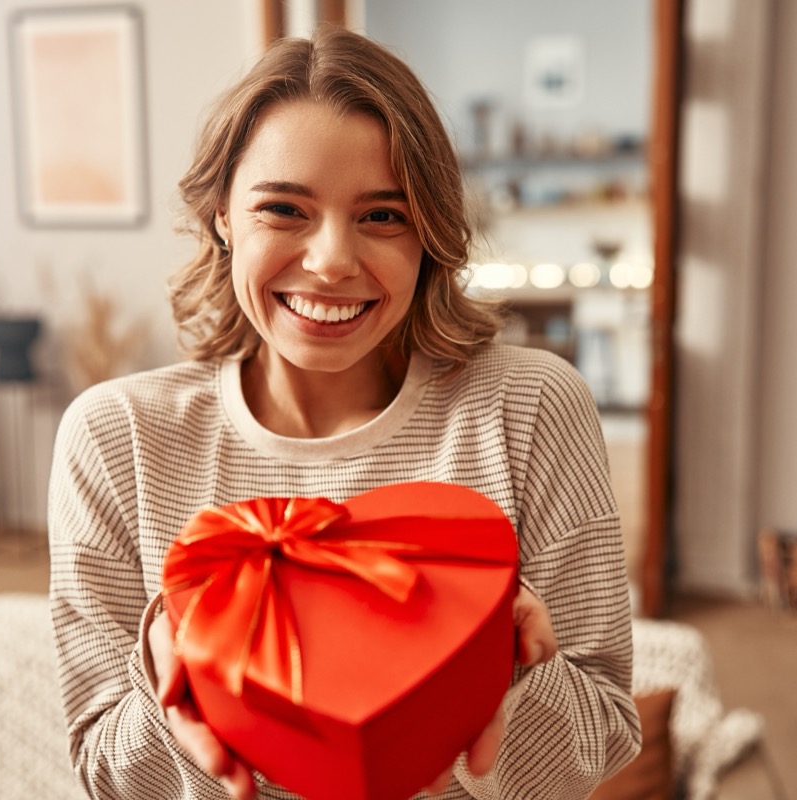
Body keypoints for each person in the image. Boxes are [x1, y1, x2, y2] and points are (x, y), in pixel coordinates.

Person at [48, 25, 640, 800]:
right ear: (223, 216)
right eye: (285, 209)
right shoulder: (115, 437)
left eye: (383, 216)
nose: (331, 260)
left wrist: (501, 670)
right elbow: (104, 770)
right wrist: (178, 665)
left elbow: (602, 738)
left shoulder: (529, 407)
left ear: (430, 232)